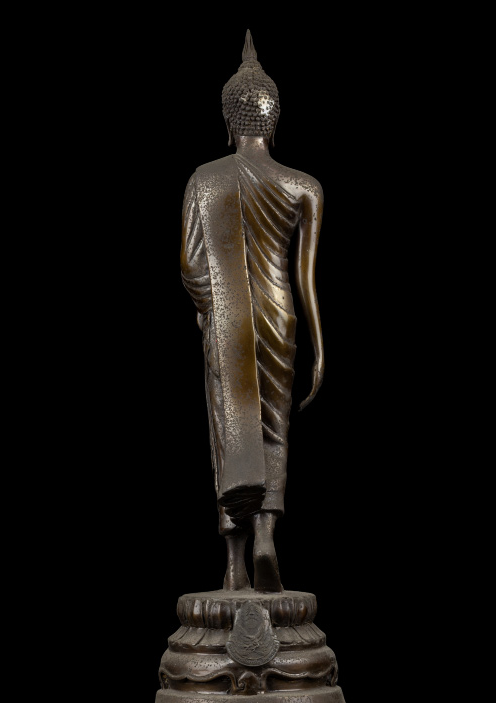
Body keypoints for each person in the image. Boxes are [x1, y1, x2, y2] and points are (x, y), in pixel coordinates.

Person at [180, 31, 324, 593]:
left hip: (229, 320)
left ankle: (235, 563)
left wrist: (211, 312)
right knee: (274, 428)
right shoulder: (304, 186)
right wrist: (320, 346)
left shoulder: (203, 179)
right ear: (273, 119)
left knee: (228, 428)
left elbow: (190, 266)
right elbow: (305, 281)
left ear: (229, 120)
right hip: (280, 315)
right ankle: (267, 535)